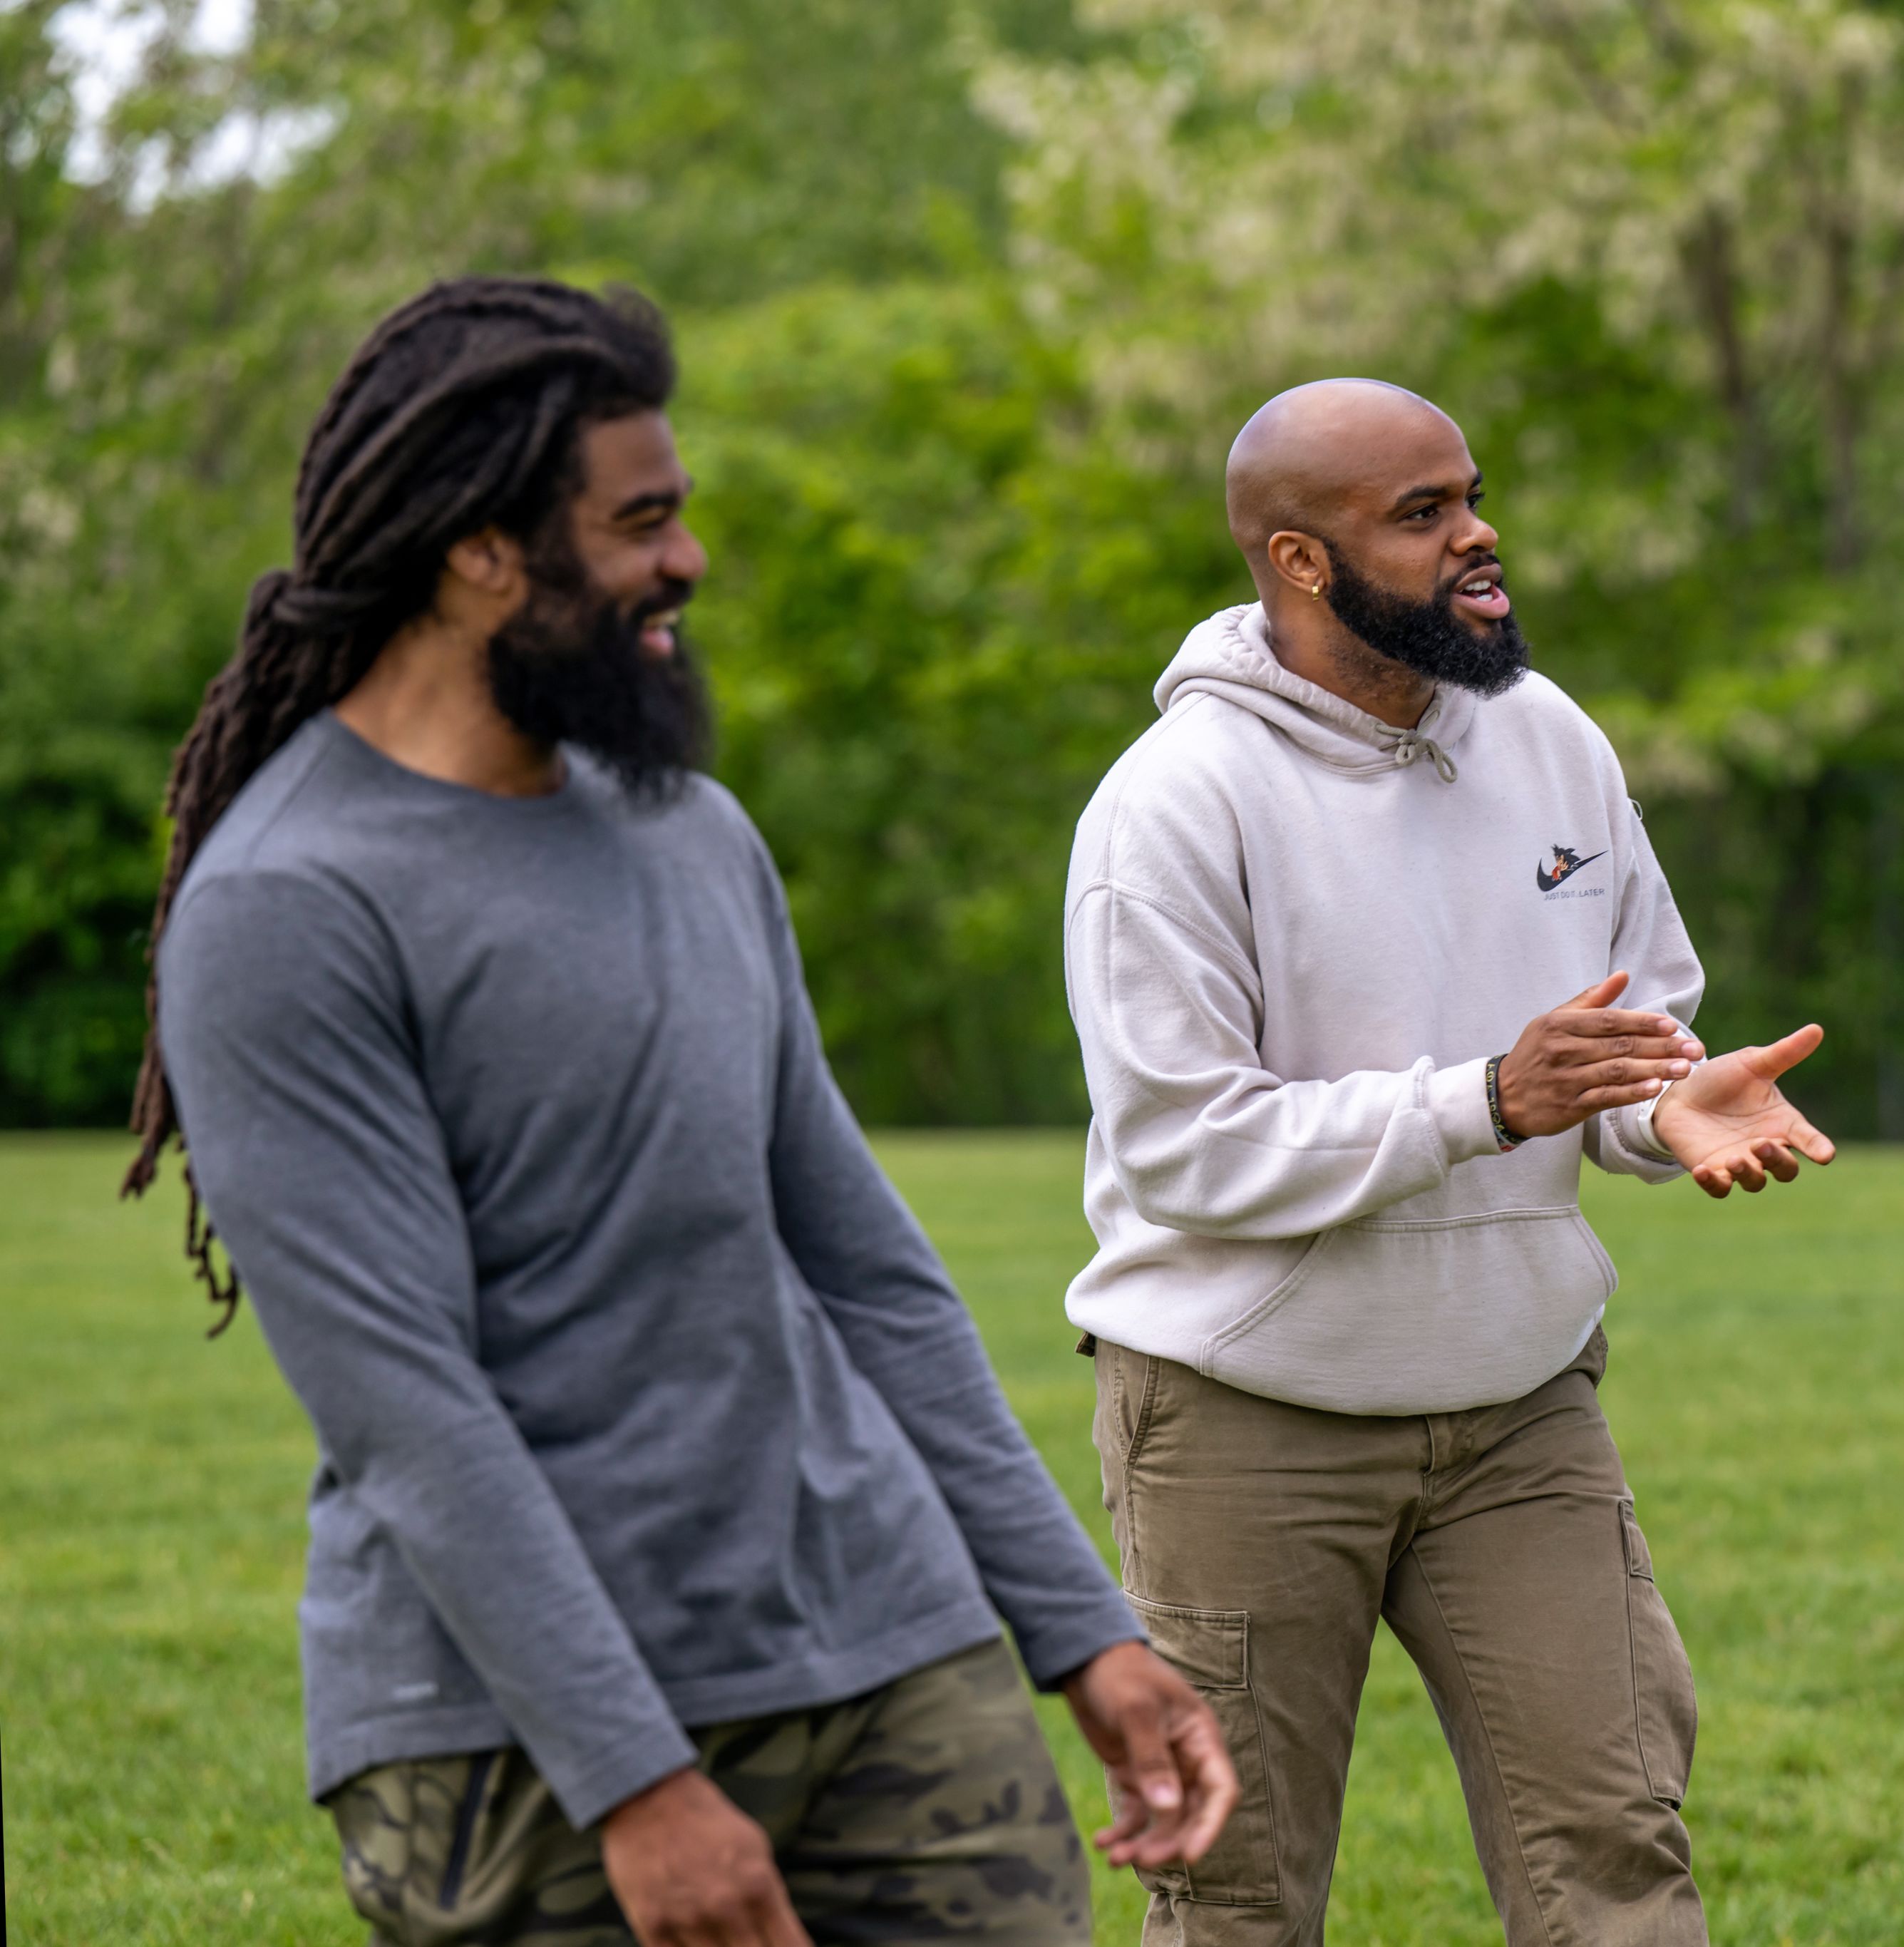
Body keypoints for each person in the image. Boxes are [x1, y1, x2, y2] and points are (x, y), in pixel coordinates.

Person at [125, 277, 1235, 1947]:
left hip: (880, 1639)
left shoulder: (694, 833)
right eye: (640, 523)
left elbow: (868, 1275)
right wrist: (634, 1780)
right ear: (480, 551)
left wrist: (1081, 1626)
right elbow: (406, 1404)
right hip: (512, 1739)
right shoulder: (289, 903)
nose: (688, 561)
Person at [1061, 377, 1836, 1946]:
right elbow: (1184, 1150)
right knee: (1236, 1898)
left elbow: (1620, 1030)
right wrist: (1485, 1100)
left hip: (1518, 1405)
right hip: (1244, 1415)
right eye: (1422, 513)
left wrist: (1659, 1106)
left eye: (1471, 496)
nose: (1477, 535)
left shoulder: (1548, 738)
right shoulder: (1173, 805)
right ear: (1298, 559)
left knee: (1615, 1852)